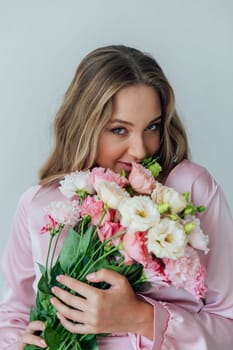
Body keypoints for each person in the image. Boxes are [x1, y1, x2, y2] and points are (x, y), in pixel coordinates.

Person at [0, 45, 233, 350]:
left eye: (152, 127)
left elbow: (228, 323)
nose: (140, 150)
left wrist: (139, 317)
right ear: (85, 127)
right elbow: (14, 315)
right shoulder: (41, 204)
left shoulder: (189, 190)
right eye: (119, 130)